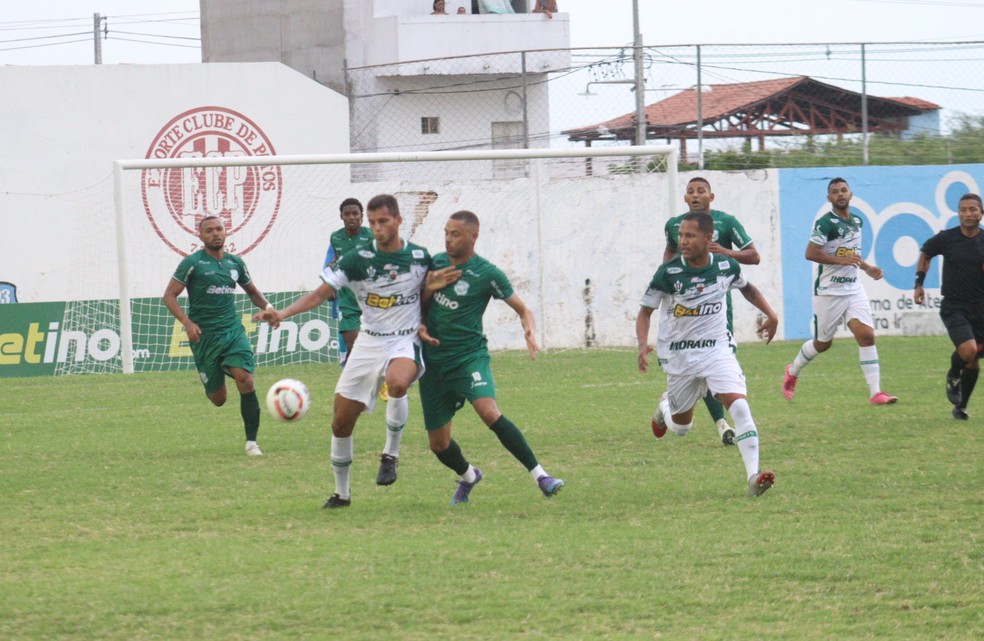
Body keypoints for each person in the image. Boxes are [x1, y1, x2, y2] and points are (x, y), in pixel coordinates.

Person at [255, 194, 431, 508]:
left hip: (404, 339)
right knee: (341, 422)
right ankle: (342, 494)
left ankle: (390, 455)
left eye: (384, 221)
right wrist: (281, 313)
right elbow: (321, 293)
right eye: (373, 222)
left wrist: (428, 324)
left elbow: (431, 292)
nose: (377, 228)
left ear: (399, 220)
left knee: (398, 382)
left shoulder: (420, 257)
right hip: (369, 340)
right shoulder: (357, 258)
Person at [417, 211, 564, 505]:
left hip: (469, 358)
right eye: (446, 232)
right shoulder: (436, 263)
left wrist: (530, 331)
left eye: (456, 234)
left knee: (488, 411)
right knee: (439, 445)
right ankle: (470, 476)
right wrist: (423, 312)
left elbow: (523, 309)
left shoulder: (487, 274)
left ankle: (541, 476)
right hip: (434, 363)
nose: (448, 239)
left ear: (473, 236)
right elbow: (419, 303)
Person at [637, 211, 779, 497]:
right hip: (680, 356)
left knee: (739, 406)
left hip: (717, 350)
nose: (683, 242)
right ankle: (665, 408)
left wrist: (771, 314)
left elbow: (747, 289)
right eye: (680, 236)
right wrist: (642, 345)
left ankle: (753, 477)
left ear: (707, 238)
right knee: (681, 427)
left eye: (689, 236)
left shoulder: (726, 266)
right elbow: (645, 312)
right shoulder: (669, 273)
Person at [163, 215, 274, 456]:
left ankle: (252, 443)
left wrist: (269, 309)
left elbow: (252, 292)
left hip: (233, 331)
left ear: (226, 232)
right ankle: (223, 368)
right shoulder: (192, 263)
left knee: (246, 379)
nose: (215, 234)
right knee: (218, 398)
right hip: (205, 337)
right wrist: (187, 322)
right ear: (200, 236)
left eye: (219, 229)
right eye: (210, 230)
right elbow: (169, 296)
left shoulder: (236, 263)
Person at [782, 177, 897, 405]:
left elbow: (851, 255)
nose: (840, 194)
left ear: (851, 194)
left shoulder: (857, 221)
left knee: (866, 335)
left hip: (853, 288)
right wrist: (840, 260)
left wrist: (867, 268)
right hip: (829, 291)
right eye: (835, 192)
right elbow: (811, 253)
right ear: (829, 198)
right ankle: (793, 371)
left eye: (844, 190)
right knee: (823, 343)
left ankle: (875, 393)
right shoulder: (826, 223)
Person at [663, 176, 761, 446]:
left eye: (701, 191)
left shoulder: (727, 222)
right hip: (685, 311)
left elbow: (753, 255)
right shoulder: (674, 225)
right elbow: (668, 257)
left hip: (717, 308)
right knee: (706, 365)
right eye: (690, 192)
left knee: (713, 364)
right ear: (685, 198)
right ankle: (721, 424)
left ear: (711, 196)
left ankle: (710, 418)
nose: (695, 195)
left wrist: (726, 252)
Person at [914, 193, 984, 420]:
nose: (968, 214)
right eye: (963, 209)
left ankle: (961, 407)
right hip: (954, 306)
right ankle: (953, 374)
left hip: (981, 310)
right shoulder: (947, 238)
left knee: (972, 359)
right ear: (958, 213)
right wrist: (919, 284)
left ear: (981, 213)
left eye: (973, 209)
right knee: (968, 351)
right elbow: (926, 252)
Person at [324, 198, 375, 365]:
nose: (351, 217)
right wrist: (330, 282)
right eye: (347, 214)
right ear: (341, 216)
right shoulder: (336, 238)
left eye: (355, 213)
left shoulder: (371, 235)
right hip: (347, 297)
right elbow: (336, 260)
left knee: (378, 345)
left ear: (362, 217)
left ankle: (383, 384)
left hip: (371, 296)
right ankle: (357, 386)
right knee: (352, 347)